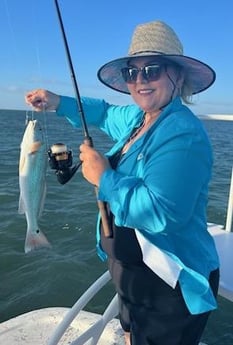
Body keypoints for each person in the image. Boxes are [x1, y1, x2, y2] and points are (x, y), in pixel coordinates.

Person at [25, 20, 219, 345]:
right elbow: (101, 113)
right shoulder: (138, 118)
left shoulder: (183, 135)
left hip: (167, 285)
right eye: (132, 72)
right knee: (129, 334)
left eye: (152, 70)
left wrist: (104, 177)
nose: (140, 80)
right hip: (130, 271)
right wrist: (58, 101)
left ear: (178, 76)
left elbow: (164, 213)